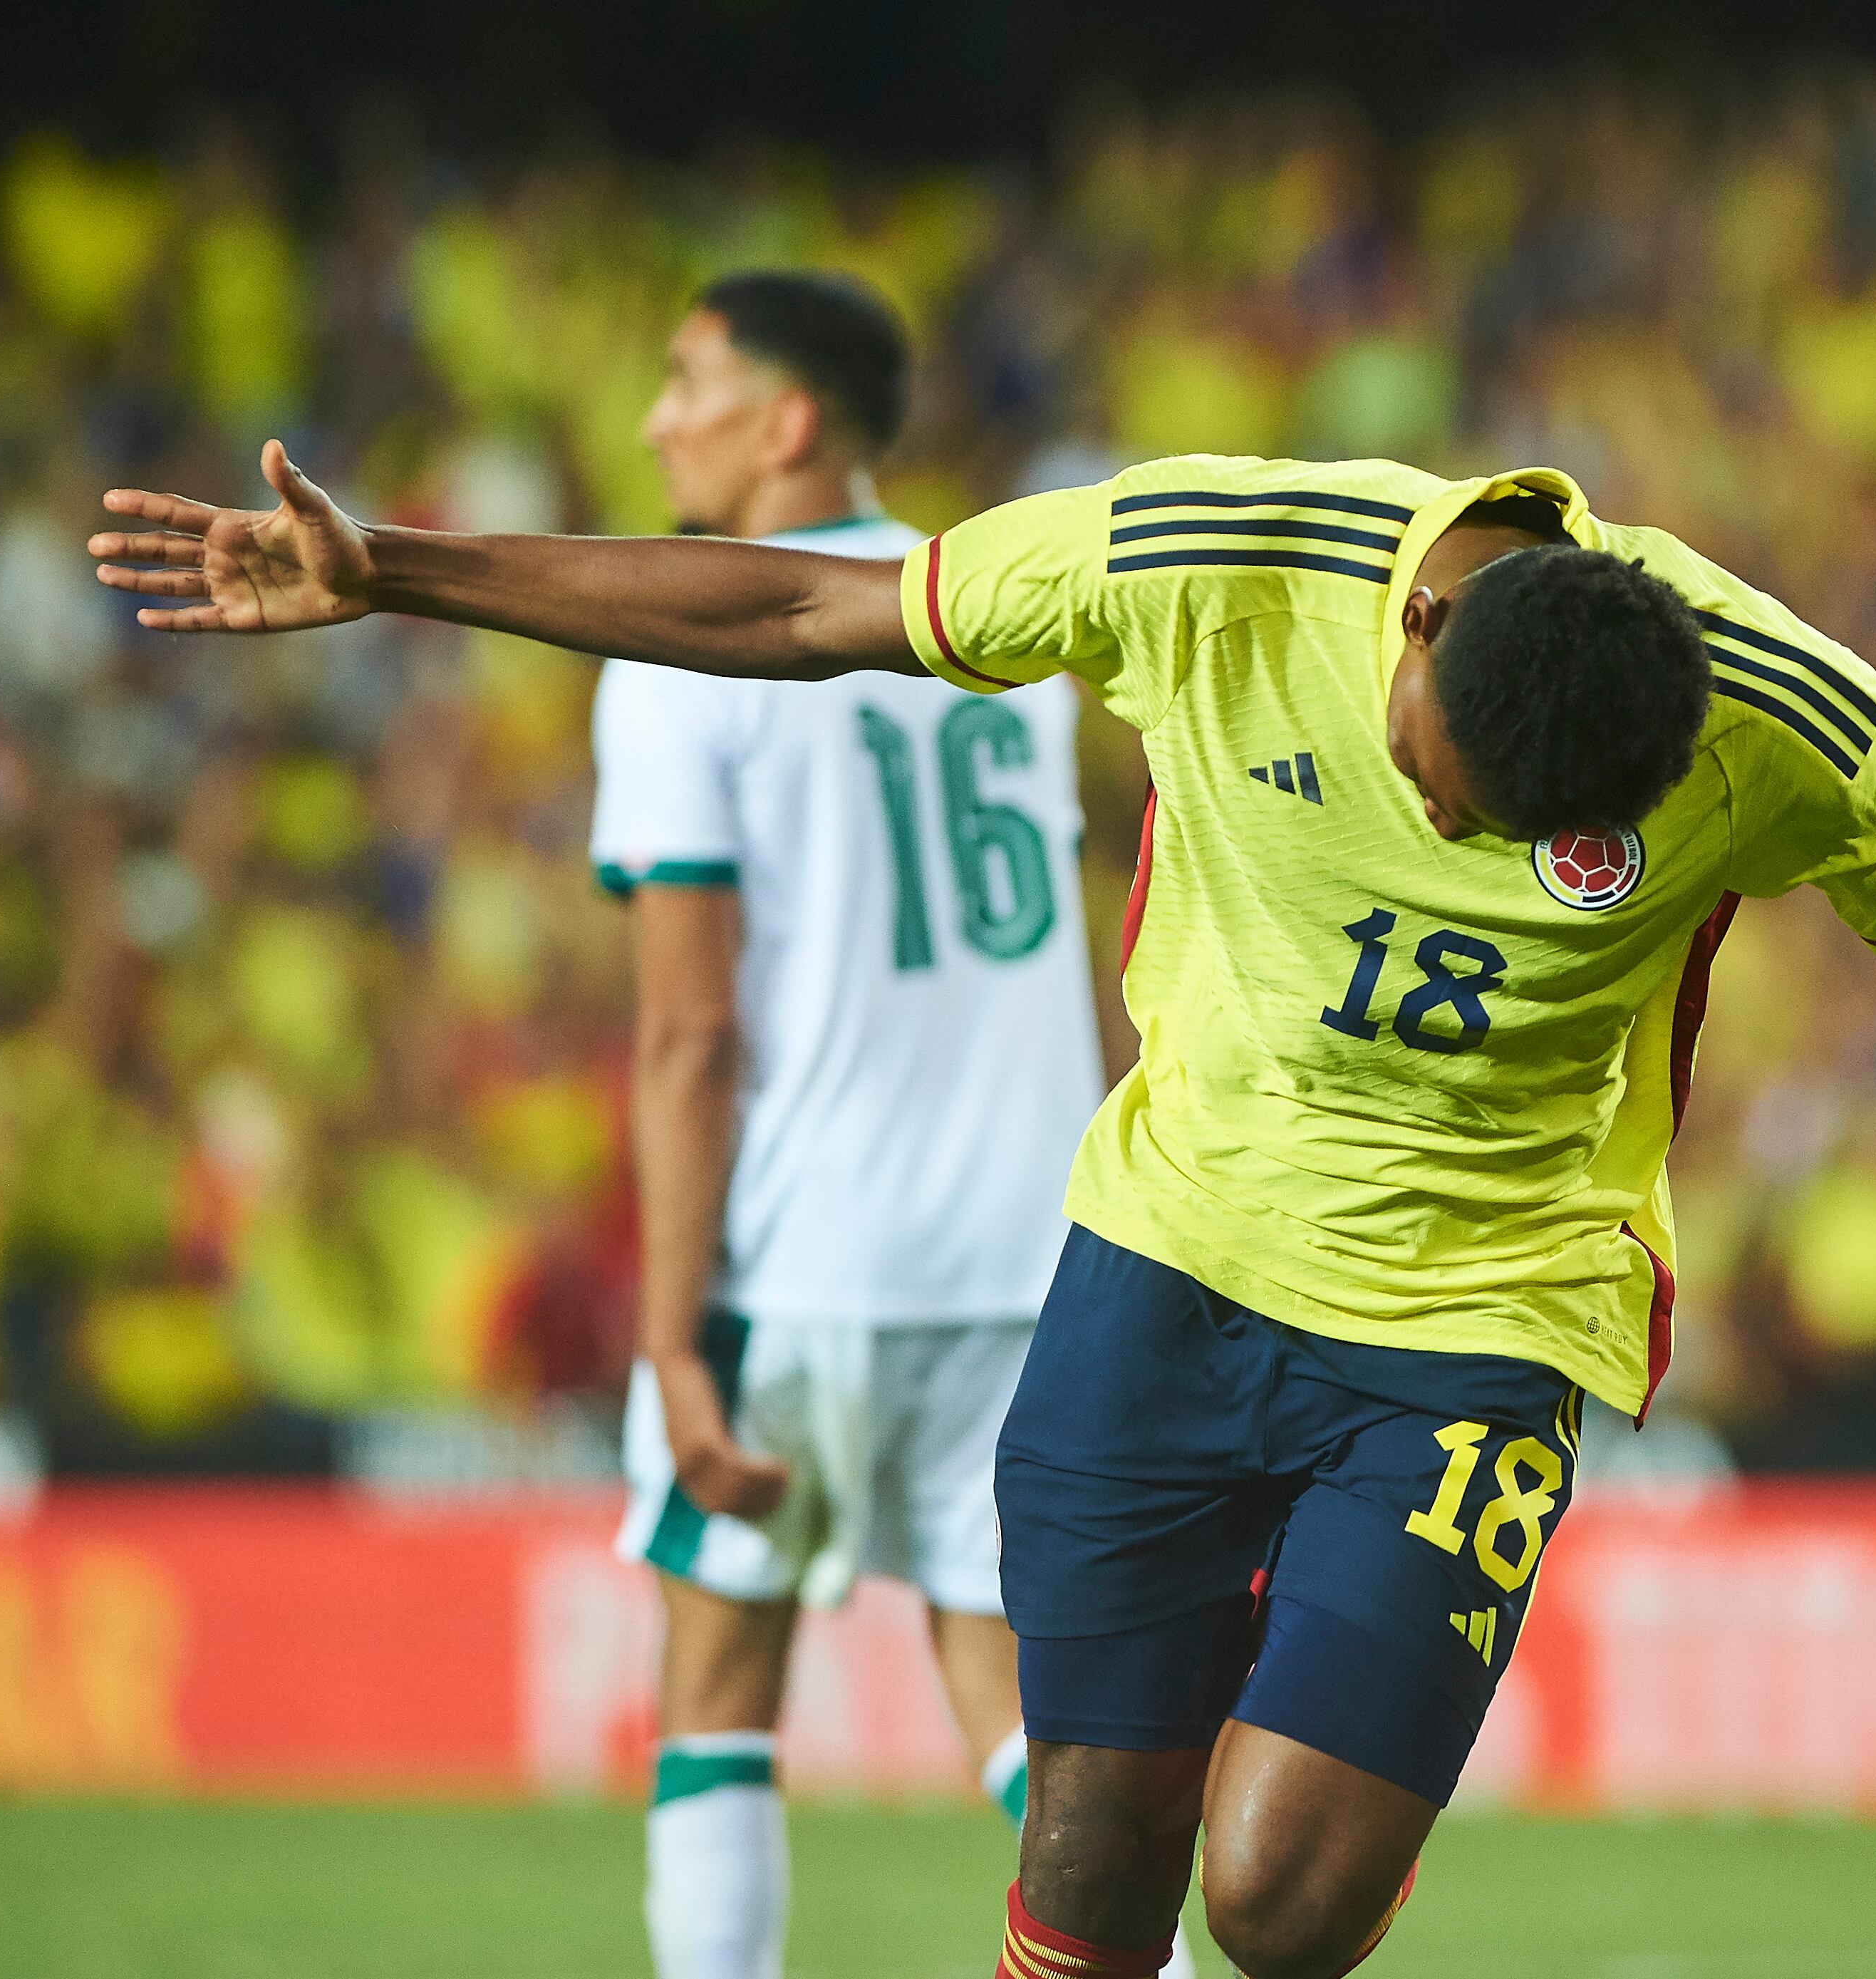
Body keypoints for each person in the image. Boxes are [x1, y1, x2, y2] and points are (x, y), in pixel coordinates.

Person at [90, 444, 1876, 1979]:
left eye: (1530, 840)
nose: (1454, 839)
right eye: (1439, 775)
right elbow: (799, 605)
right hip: (1165, 1260)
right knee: (1087, 1849)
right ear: (1412, 629)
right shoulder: (1205, 553)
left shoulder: (1779, 724)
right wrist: (404, 569)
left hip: (1477, 1315)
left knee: (1287, 1904)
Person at [583, 269, 1183, 1979]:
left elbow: (691, 1031)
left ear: (788, 421)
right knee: (1026, 1718)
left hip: (800, 1257)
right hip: (1018, 1255)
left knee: (716, 1699)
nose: (654, 418)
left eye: (687, 379)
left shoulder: (674, 647)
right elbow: (1076, 944)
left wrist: (668, 1335)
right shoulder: (993, 614)